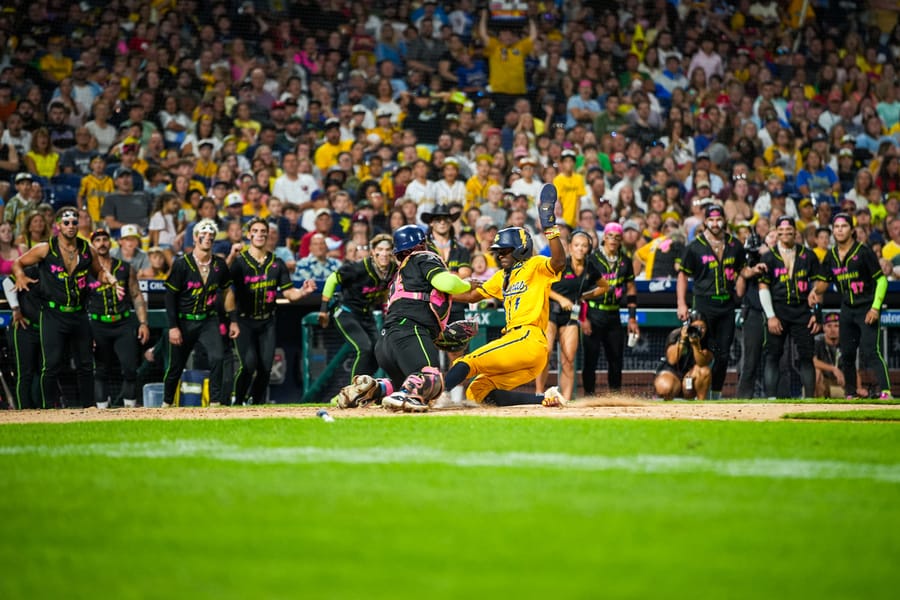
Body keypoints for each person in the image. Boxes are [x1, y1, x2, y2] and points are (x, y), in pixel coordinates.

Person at [434, 184, 567, 408]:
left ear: (521, 249)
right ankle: (545, 398)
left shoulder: (534, 265)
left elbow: (559, 262)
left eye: (505, 250)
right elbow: (471, 296)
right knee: (477, 391)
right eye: (498, 251)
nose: (500, 255)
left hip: (529, 338)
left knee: (469, 360)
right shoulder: (500, 276)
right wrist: (438, 296)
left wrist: (550, 227)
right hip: (519, 347)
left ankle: (431, 395)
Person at [331, 225, 471, 411]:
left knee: (402, 382)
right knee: (431, 378)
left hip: (386, 342)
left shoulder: (399, 274)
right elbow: (447, 283)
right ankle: (404, 396)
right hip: (410, 331)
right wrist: (468, 284)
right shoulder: (423, 257)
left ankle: (371, 389)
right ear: (422, 244)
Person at [11, 207, 123, 408]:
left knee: (86, 365)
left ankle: (89, 408)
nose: (71, 226)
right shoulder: (46, 248)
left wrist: (111, 279)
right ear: (58, 225)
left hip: (79, 313)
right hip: (53, 313)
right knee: (51, 365)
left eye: (74, 222)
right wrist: (20, 276)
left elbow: (98, 272)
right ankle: (47, 410)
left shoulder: (87, 248)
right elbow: (17, 263)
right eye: (66, 222)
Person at [677, 204, 766, 399]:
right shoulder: (695, 246)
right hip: (703, 305)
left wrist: (754, 270)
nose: (715, 223)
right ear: (705, 221)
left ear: (724, 220)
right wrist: (681, 304)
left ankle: (715, 396)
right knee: (700, 352)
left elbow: (742, 270)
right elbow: (683, 275)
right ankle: (694, 393)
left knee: (723, 355)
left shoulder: (735, 245)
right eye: (711, 219)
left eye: (718, 219)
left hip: (726, 305)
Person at [229, 218, 317, 406]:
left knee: (266, 367)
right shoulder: (239, 263)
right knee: (249, 364)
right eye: (255, 231)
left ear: (268, 235)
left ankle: (257, 404)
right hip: (245, 321)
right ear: (248, 235)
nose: (260, 234)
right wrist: (232, 320)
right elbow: (227, 292)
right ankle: (238, 402)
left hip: (267, 321)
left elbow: (289, 293)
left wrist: (303, 292)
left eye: (263, 231)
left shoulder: (277, 263)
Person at [810, 212, 892, 399]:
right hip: (847, 308)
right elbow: (822, 283)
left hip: (866, 307)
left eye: (844, 226)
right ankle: (850, 393)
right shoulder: (830, 255)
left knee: (872, 351)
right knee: (846, 353)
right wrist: (814, 292)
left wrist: (875, 307)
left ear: (852, 230)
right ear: (833, 231)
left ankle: (886, 391)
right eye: (836, 227)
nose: (839, 230)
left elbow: (882, 281)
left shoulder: (863, 252)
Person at [163, 218, 240, 408]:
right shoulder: (182, 264)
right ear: (195, 237)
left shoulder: (219, 264)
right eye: (203, 234)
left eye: (211, 235)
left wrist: (234, 320)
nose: (207, 238)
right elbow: (170, 295)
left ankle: (215, 403)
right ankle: (166, 403)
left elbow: (227, 291)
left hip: (208, 319)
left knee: (218, 358)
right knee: (176, 367)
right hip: (184, 321)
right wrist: (173, 327)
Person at [319, 233, 397, 384]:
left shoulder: (393, 269)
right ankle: (352, 390)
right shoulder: (359, 268)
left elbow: (387, 291)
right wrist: (323, 309)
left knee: (379, 353)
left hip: (366, 315)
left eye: (388, 250)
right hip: (346, 312)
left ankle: (362, 388)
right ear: (373, 252)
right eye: (380, 249)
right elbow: (332, 279)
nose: (384, 254)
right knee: (365, 348)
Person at [86, 228, 150, 409]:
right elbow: (81, 300)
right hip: (98, 324)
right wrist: (86, 332)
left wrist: (143, 323)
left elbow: (136, 295)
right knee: (100, 370)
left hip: (123, 322)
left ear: (110, 242)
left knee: (130, 369)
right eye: (97, 240)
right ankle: (101, 412)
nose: (102, 243)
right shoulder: (87, 270)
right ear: (93, 245)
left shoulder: (124, 267)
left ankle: (129, 410)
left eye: (104, 239)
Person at [535, 229, 601, 403]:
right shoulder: (561, 264)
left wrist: (584, 296)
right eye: (577, 245)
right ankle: (539, 394)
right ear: (570, 247)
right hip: (550, 310)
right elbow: (543, 286)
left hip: (571, 315)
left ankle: (566, 399)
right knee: (546, 351)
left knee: (569, 358)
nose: (580, 249)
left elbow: (604, 286)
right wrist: (562, 299)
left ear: (589, 248)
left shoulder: (590, 267)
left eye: (584, 246)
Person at [758, 216, 821, 398]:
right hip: (778, 310)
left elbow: (819, 285)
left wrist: (817, 314)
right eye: (781, 231)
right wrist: (770, 316)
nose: (785, 234)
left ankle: (809, 399)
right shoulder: (768, 257)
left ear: (795, 232)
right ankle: (771, 399)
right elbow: (763, 287)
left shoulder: (808, 255)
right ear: (776, 233)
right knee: (773, 356)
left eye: (789, 230)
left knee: (806, 357)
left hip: (802, 310)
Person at [581, 222, 640, 395]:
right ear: (604, 238)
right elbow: (581, 291)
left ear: (621, 240)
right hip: (593, 312)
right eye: (610, 236)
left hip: (614, 314)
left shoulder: (626, 262)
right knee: (590, 360)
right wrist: (584, 319)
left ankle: (615, 397)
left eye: (617, 237)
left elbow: (631, 289)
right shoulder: (592, 260)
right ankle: (589, 397)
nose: (613, 240)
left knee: (616, 360)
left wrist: (631, 317)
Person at [3, 264, 42, 408]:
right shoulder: (32, 270)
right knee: (25, 372)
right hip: (25, 327)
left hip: (46, 329)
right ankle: (24, 410)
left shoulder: (55, 273)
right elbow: (7, 281)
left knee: (44, 371)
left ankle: (43, 409)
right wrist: (15, 308)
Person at [654, 310, 714, 400]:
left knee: (704, 371)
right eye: (696, 327)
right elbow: (672, 360)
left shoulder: (708, 340)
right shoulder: (676, 334)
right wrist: (682, 340)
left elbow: (702, 362)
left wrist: (695, 345)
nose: (699, 330)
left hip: (691, 377)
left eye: (702, 327)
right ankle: (667, 406)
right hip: (672, 373)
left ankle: (701, 404)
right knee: (665, 387)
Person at [813, 313, 858, 398]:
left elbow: (853, 367)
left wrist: (858, 388)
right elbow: (813, 361)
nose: (832, 329)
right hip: (823, 382)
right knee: (816, 371)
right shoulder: (818, 341)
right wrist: (833, 369)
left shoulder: (845, 342)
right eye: (829, 326)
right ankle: (817, 402)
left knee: (850, 369)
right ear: (824, 328)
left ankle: (850, 395)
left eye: (836, 326)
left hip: (840, 382)